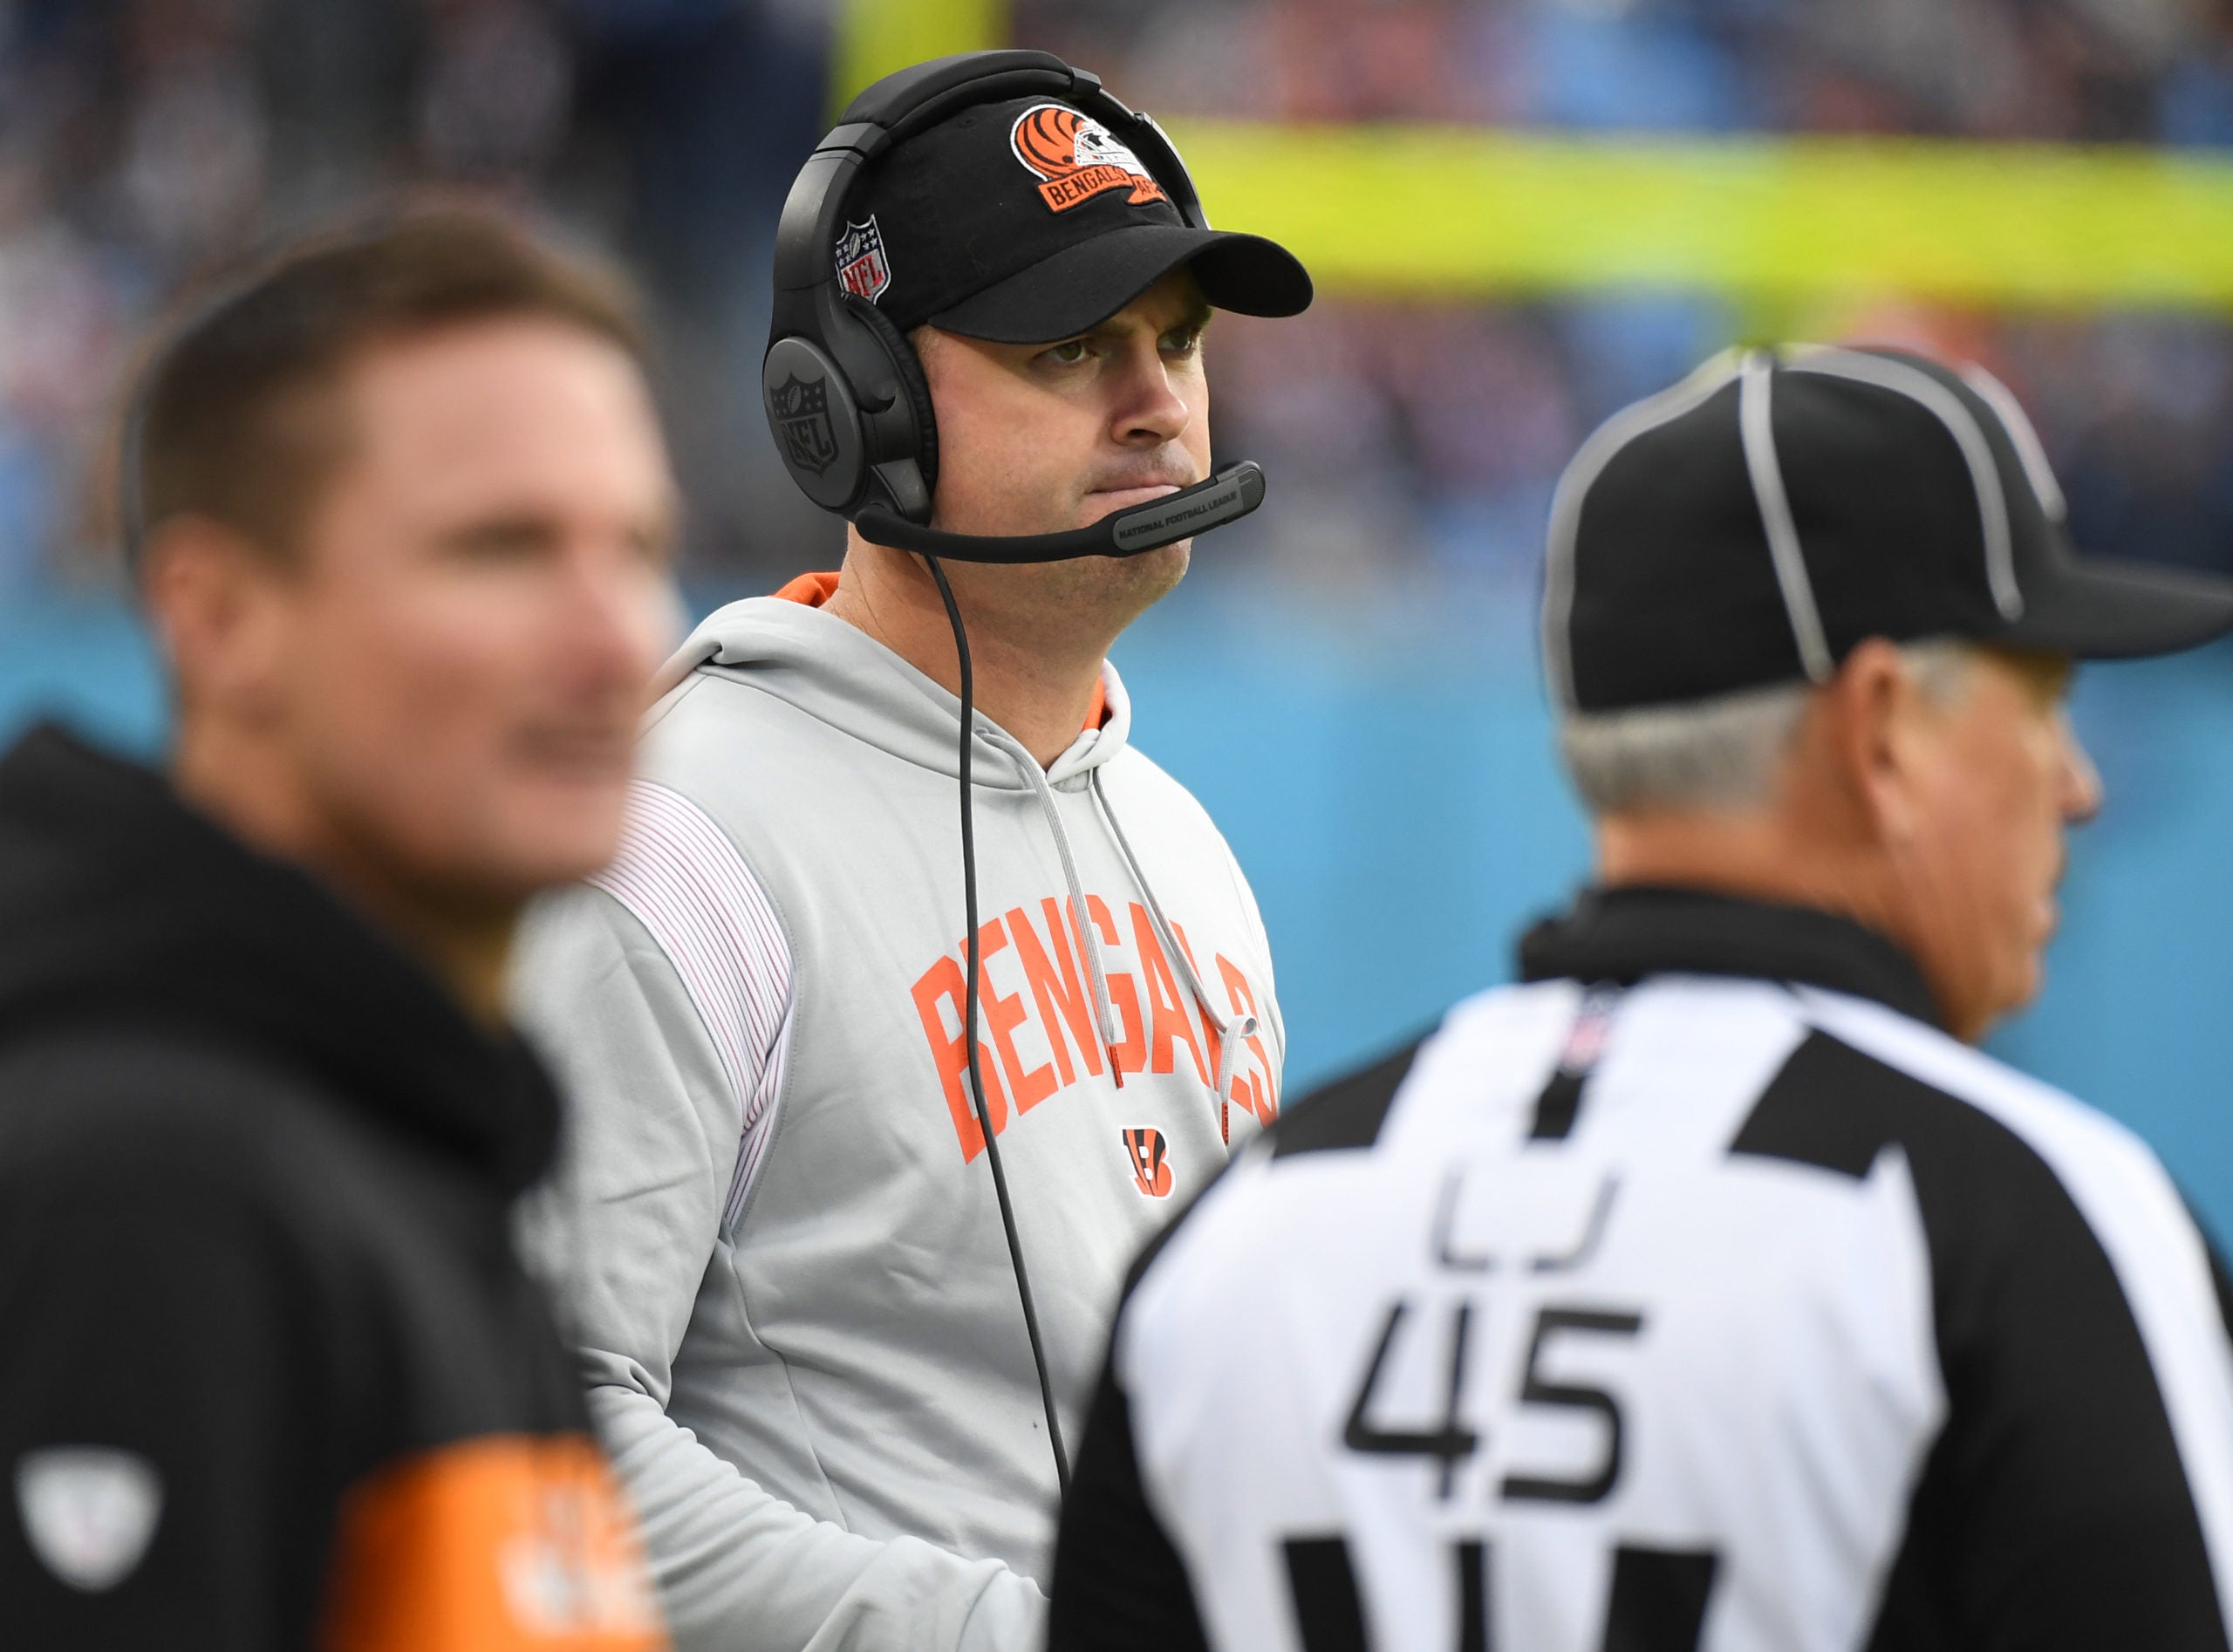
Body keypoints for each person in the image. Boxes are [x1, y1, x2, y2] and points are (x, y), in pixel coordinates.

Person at [1048, 345, 2233, 1650]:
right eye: (2045, 698)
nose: (2079, 784)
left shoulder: (1246, 1232)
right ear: (1883, 726)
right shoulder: (2032, 1228)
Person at [510, 50, 1312, 1652]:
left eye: (1175, 342)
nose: (1155, 399)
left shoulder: (1183, 848)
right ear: (852, 405)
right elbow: (537, 1442)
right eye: (1071, 344)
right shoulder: (675, 844)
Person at [0, 209, 679, 1649]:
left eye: (637, 547)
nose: (616, 633)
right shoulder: (155, 1191)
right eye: (501, 547)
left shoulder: (410, 1145)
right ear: (220, 616)